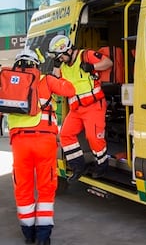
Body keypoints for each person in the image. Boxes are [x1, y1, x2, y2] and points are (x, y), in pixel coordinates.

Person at [8, 49, 76, 245]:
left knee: (23, 187)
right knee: (46, 188)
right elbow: (70, 91)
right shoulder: (45, 80)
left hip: (20, 143)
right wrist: (56, 73)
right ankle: (43, 237)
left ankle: (28, 234)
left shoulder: (8, 83)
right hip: (44, 141)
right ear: (36, 64)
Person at [48, 35, 113, 183]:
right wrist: (56, 66)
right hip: (76, 109)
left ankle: (102, 165)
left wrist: (92, 67)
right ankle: (78, 167)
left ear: (68, 50)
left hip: (94, 105)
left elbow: (108, 62)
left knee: (93, 137)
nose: (61, 60)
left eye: (60, 57)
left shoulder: (86, 55)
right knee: (65, 135)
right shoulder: (63, 66)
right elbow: (55, 83)